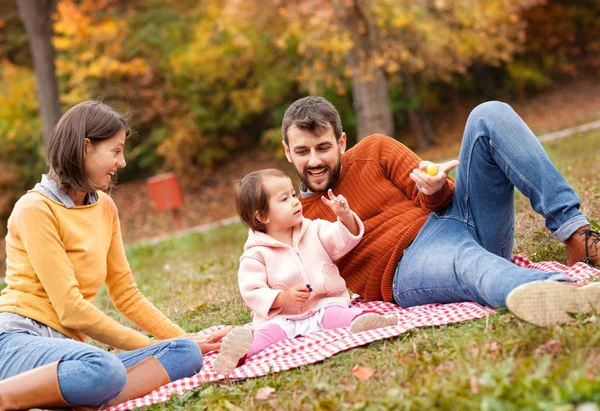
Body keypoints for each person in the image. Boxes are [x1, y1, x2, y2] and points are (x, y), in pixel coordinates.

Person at [279, 96, 600, 329]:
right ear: (287, 152)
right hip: (408, 263)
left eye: (323, 148)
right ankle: (564, 293)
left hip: (458, 220)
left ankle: (575, 236)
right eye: (302, 152)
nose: (314, 161)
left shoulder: (375, 150)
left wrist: (433, 188)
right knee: (468, 264)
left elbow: (442, 197)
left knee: (489, 115)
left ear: (341, 142)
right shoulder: (297, 217)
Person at [0, 101, 229, 410]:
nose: (122, 162)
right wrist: (149, 346)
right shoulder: (35, 209)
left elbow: (126, 294)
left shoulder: (104, 207)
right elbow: (71, 311)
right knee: (102, 367)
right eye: (116, 150)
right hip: (17, 340)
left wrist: (186, 338)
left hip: (66, 352)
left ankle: (77, 399)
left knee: (184, 353)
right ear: (85, 147)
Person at [212, 168, 397, 376]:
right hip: (282, 318)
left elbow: (341, 241)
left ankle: (364, 320)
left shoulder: (314, 229)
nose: (295, 201)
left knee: (338, 315)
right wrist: (282, 298)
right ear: (262, 216)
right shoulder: (255, 254)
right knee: (266, 334)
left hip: (323, 306)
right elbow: (251, 291)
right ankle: (240, 352)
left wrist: (344, 217)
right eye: (284, 199)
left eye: (293, 194)